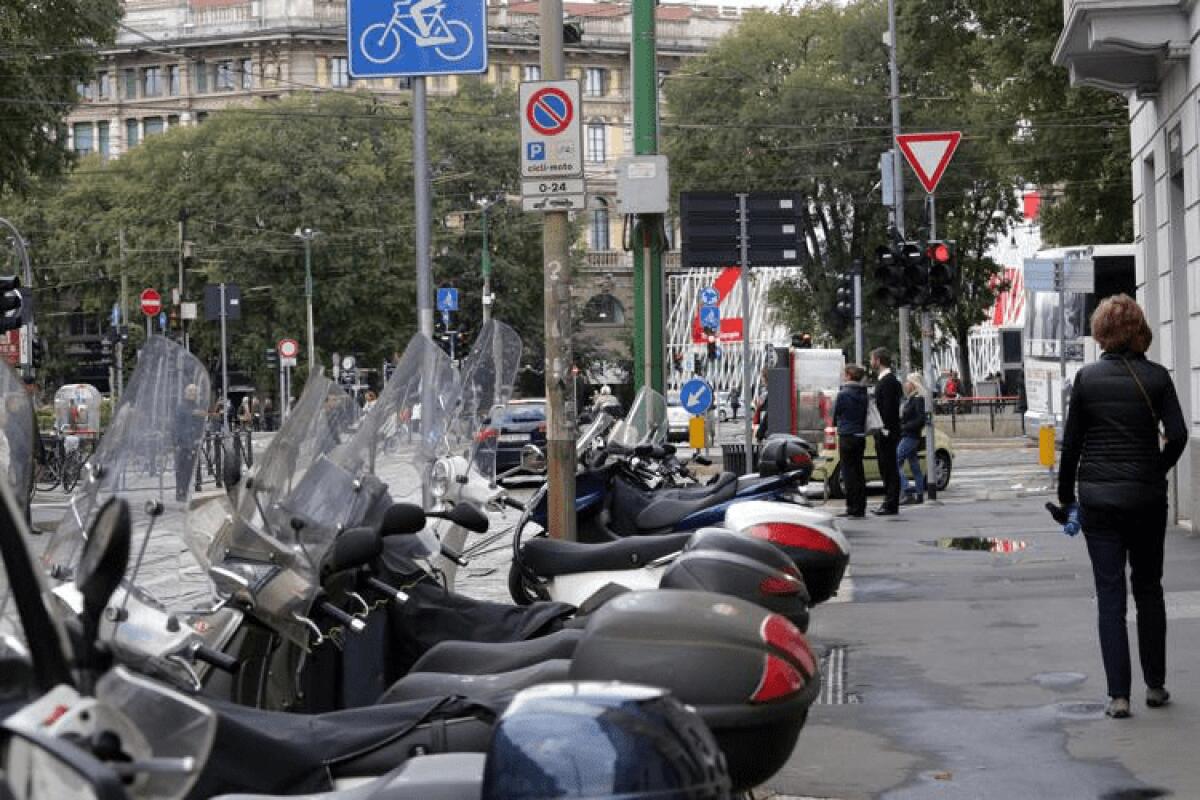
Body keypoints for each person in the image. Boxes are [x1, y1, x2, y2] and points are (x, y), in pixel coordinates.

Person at [1057, 295, 1187, 720]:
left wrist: (1066, 497)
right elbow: (1180, 435)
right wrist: (1157, 468)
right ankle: (1156, 685)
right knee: (1149, 589)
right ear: (1138, 329)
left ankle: (1118, 696)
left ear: (1101, 332)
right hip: (1146, 499)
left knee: (1110, 595)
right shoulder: (1157, 378)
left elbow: (1073, 444)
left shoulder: (1087, 379)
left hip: (1098, 500)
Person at [832, 364, 868, 518]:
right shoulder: (863, 393)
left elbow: (835, 414)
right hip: (860, 434)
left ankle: (852, 506)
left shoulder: (843, 394)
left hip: (847, 434)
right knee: (859, 471)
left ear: (848, 375)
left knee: (848, 472)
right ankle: (861, 505)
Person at [870, 347, 902, 516]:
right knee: (886, 467)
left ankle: (891, 503)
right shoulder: (887, 380)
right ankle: (889, 502)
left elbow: (888, 409)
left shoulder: (888, 382)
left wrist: (885, 430)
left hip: (886, 432)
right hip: (885, 431)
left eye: (872, 359)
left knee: (888, 467)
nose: (870, 362)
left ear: (878, 360)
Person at [897, 372, 926, 505]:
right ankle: (919, 494)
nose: (905, 384)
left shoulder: (918, 399)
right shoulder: (911, 399)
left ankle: (907, 490)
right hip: (910, 435)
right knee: (914, 466)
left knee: (895, 461)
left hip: (910, 436)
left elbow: (921, 419)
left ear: (914, 384)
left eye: (908, 382)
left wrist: (904, 426)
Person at [174, 384, 206, 502]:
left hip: (193, 443)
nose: (193, 393)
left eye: (194, 391)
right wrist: (177, 442)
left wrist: (199, 437)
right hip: (183, 443)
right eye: (190, 391)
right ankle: (180, 491)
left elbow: (200, 425)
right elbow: (177, 426)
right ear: (185, 393)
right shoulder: (181, 407)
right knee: (180, 469)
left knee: (189, 469)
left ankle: (186, 490)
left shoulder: (198, 407)